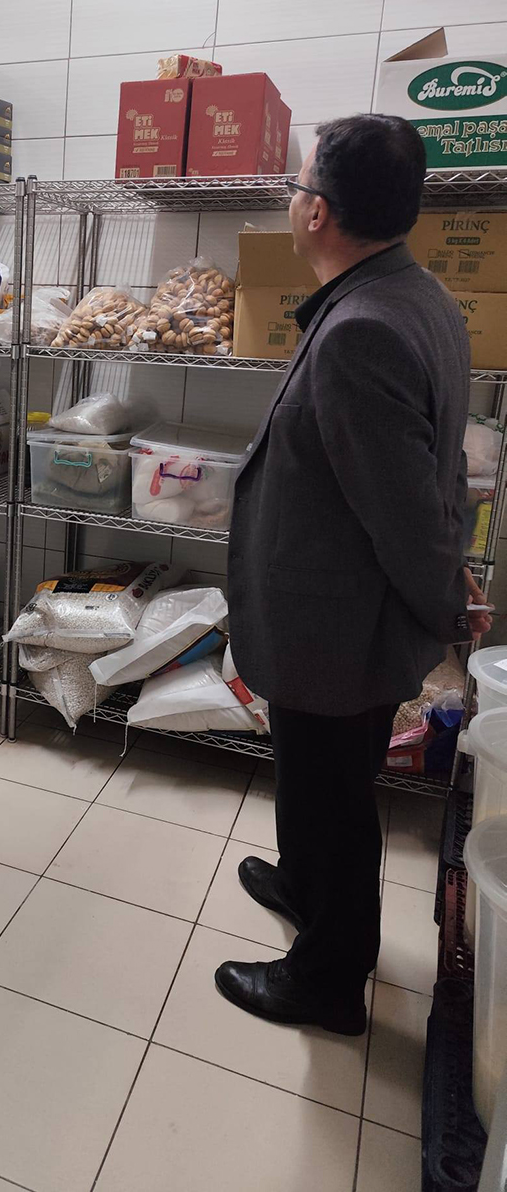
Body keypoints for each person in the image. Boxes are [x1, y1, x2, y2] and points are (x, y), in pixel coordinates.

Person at [219, 114, 491, 1035]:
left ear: (319, 212)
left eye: (297, 185)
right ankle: (305, 886)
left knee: (335, 797)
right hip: (336, 611)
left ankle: (328, 979)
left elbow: (405, 510)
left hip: (338, 623)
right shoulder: (412, 293)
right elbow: (424, 471)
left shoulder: (362, 328)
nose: (292, 199)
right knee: (312, 779)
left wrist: (447, 602)